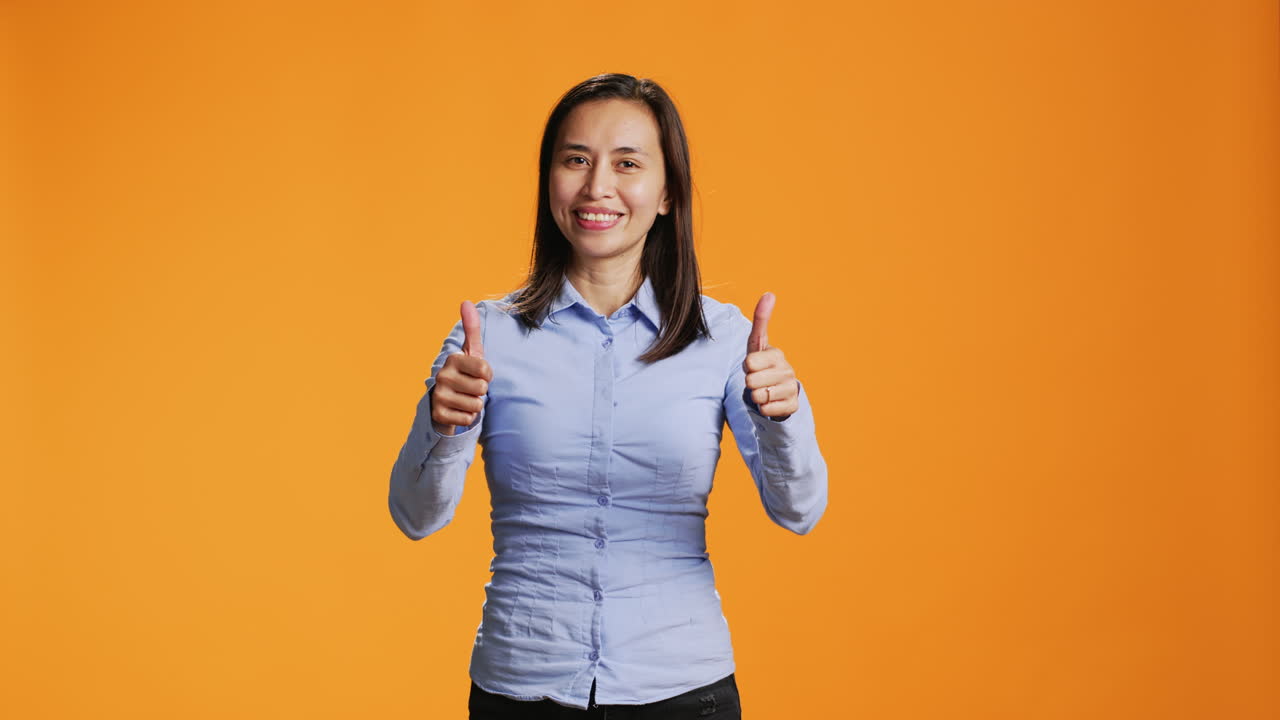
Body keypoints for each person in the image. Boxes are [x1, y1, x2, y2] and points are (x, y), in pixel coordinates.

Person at [388, 73, 828, 719]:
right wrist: (442, 424)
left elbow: (800, 511)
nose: (598, 187)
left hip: (684, 689)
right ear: (550, 181)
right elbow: (414, 515)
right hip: (522, 684)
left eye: (627, 163)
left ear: (667, 190)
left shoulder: (726, 339)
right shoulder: (487, 338)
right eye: (576, 160)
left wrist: (783, 419)